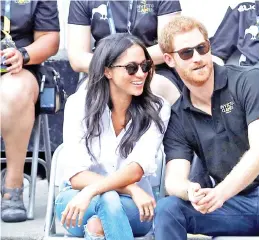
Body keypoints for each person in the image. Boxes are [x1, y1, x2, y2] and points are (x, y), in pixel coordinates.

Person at [155, 16, 259, 240]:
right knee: (168, 209)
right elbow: (174, 179)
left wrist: (220, 193)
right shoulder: (178, 114)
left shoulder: (249, 81)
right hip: (233, 207)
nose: (197, 58)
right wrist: (190, 191)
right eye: (186, 52)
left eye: (202, 48)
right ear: (169, 59)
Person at [55, 33, 170, 240]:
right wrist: (129, 188)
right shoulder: (79, 104)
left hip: (135, 207)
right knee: (107, 200)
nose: (141, 74)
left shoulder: (158, 107)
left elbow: (136, 168)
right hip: (76, 200)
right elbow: (76, 175)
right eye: (131, 68)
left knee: (102, 215)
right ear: (107, 70)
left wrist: (93, 191)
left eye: (145, 66)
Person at [0, 1, 60, 222]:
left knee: (14, 91)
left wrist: (23, 55)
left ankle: (13, 185)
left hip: (17, 69)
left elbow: (49, 39)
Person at [67, 0, 183, 105]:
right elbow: (77, 58)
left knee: (157, 88)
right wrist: (115, 67)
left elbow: (168, 46)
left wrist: (128, 63)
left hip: (151, 68)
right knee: (82, 98)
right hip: (104, 70)